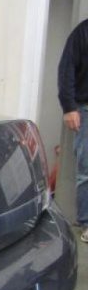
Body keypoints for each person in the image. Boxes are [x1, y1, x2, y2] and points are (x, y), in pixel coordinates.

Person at [58, 18, 88, 243]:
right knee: (86, 171)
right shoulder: (83, 32)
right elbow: (67, 68)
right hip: (85, 109)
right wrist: (69, 107)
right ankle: (87, 222)